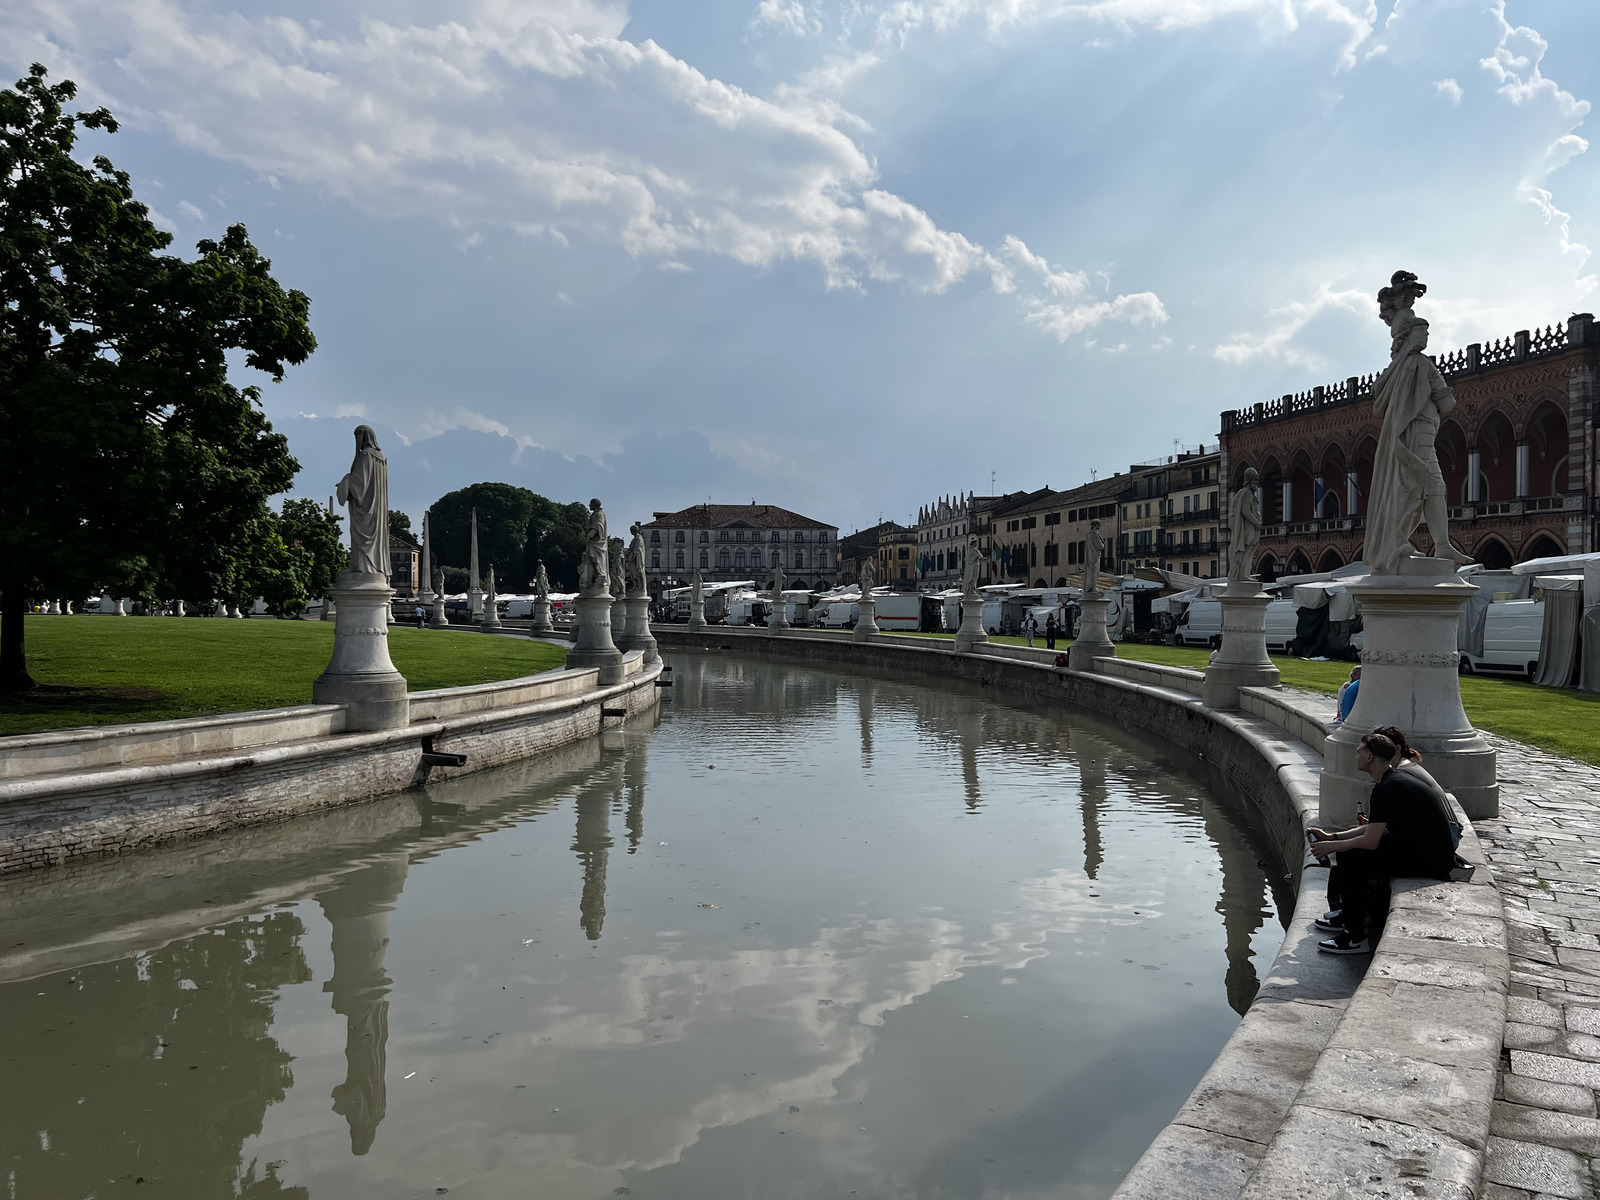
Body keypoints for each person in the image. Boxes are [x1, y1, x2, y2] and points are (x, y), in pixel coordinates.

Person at [1307, 730, 1456, 954]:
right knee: (1351, 850)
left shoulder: (1386, 788)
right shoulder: (1391, 781)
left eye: (1359, 751)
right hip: (1423, 850)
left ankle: (1354, 936)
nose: (1355, 755)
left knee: (1351, 857)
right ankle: (1350, 916)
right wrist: (1333, 837)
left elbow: (1370, 842)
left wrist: (1332, 847)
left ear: (1370, 757)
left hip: (1431, 861)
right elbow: (1373, 827)